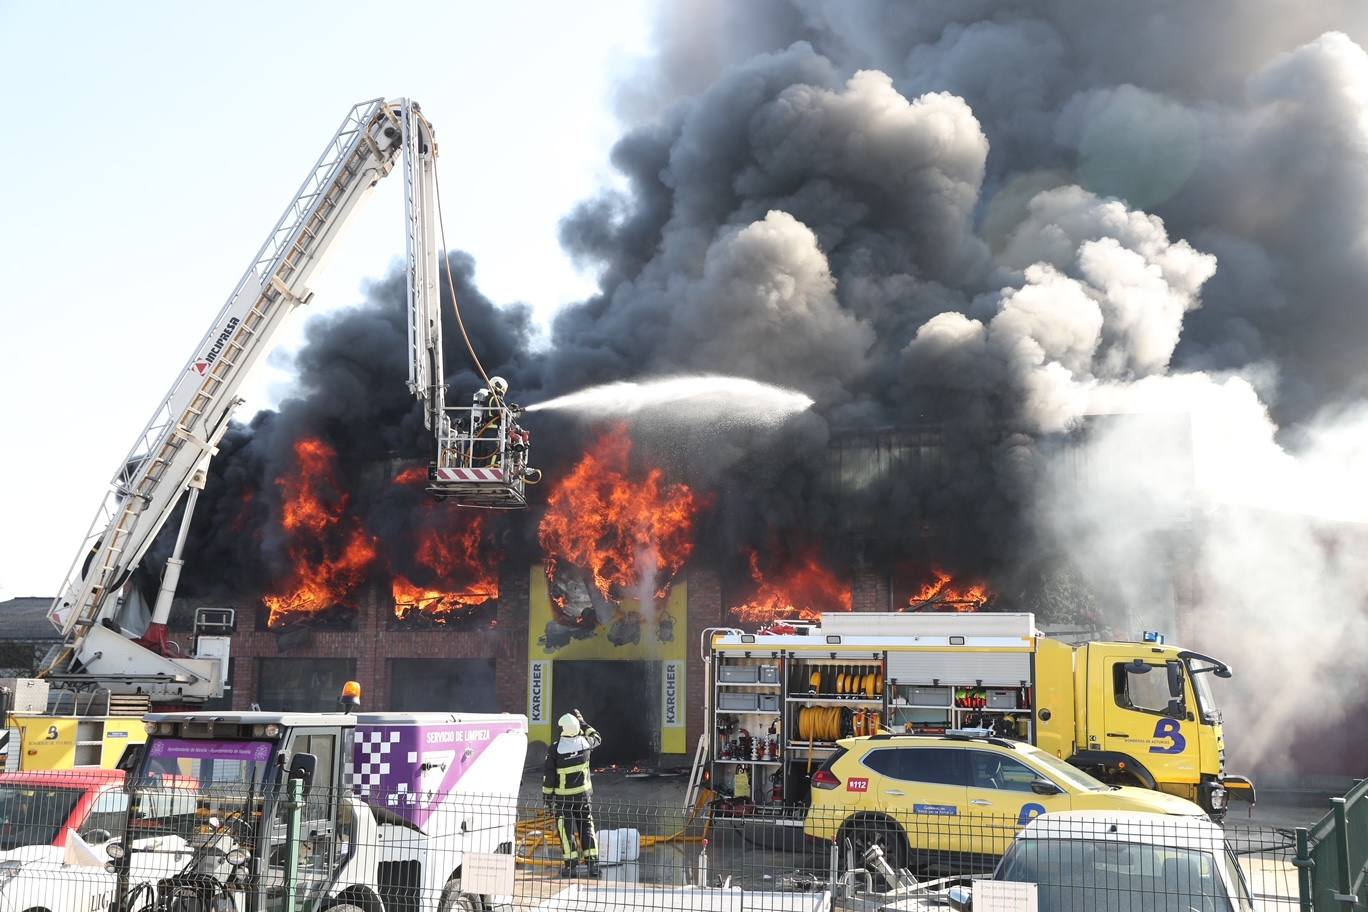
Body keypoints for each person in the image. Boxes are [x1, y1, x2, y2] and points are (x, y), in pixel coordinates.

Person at [542, 709, 602, 878]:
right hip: (583, 797)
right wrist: (583, 723)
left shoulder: (555, 749)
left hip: (563, 799)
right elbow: (597, 736)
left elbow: (549, 777)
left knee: (565, 830)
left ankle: (571, 867)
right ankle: (593, 866)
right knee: (587, 827)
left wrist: (547, 799)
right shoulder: (586, 743)